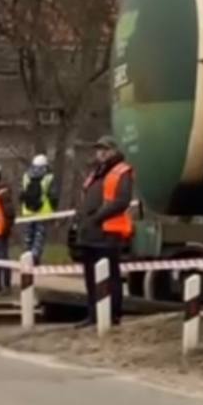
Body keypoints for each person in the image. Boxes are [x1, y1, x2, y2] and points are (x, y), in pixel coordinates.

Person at [75, 136, 134, 327]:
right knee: (91, 276)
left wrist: (97, 217)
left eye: (105, 149)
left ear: (114, 151)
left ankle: (113, 315)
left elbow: (121, 201)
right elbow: (86, 200)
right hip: (90, 232)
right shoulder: (96, 173)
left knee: (111, 277)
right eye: (98, 149)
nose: (100, 153)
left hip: (109, 232)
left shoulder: (122, 171)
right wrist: (81, 220)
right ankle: (93, 314)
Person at [19, 153, 59, 265]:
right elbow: (53, 196)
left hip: (27, 211)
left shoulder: (26, 176)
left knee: (28, 235)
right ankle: (35, 257)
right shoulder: (49, 177)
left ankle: (26, 256)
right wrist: (54, 211)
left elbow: (21, 193)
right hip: (43, 212)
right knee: (39, 236)